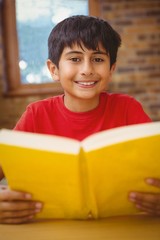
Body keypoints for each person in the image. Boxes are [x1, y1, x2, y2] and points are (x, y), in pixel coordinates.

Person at [0, 15, 160, 224]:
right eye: (75, 59)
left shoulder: (128, 108)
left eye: (98, 59)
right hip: (51, 230)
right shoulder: (36, 114)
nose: (87, 69)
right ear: (54, 69)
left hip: (122, 226)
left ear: (111, 69)